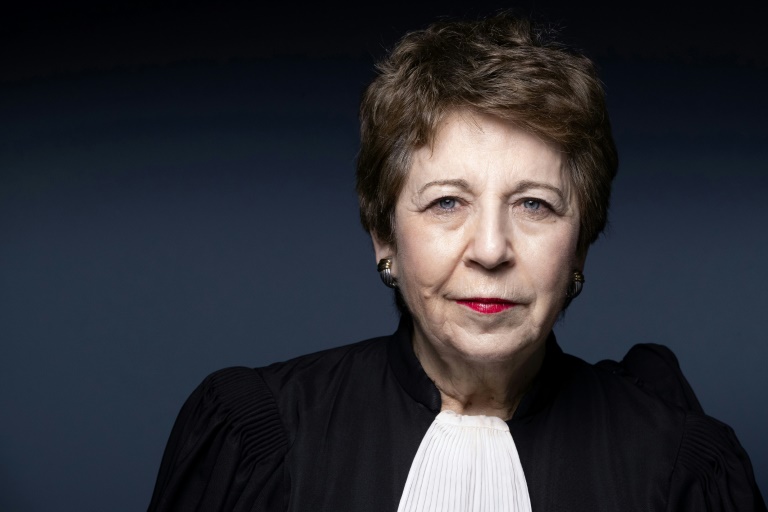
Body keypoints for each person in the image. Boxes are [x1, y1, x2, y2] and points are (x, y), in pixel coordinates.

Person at [148, 11, 766, 512]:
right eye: (447, 202)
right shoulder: (257, 438)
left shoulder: (680, 465)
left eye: (534, 204)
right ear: (384, 236)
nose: (491, 250)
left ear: (580, 244)